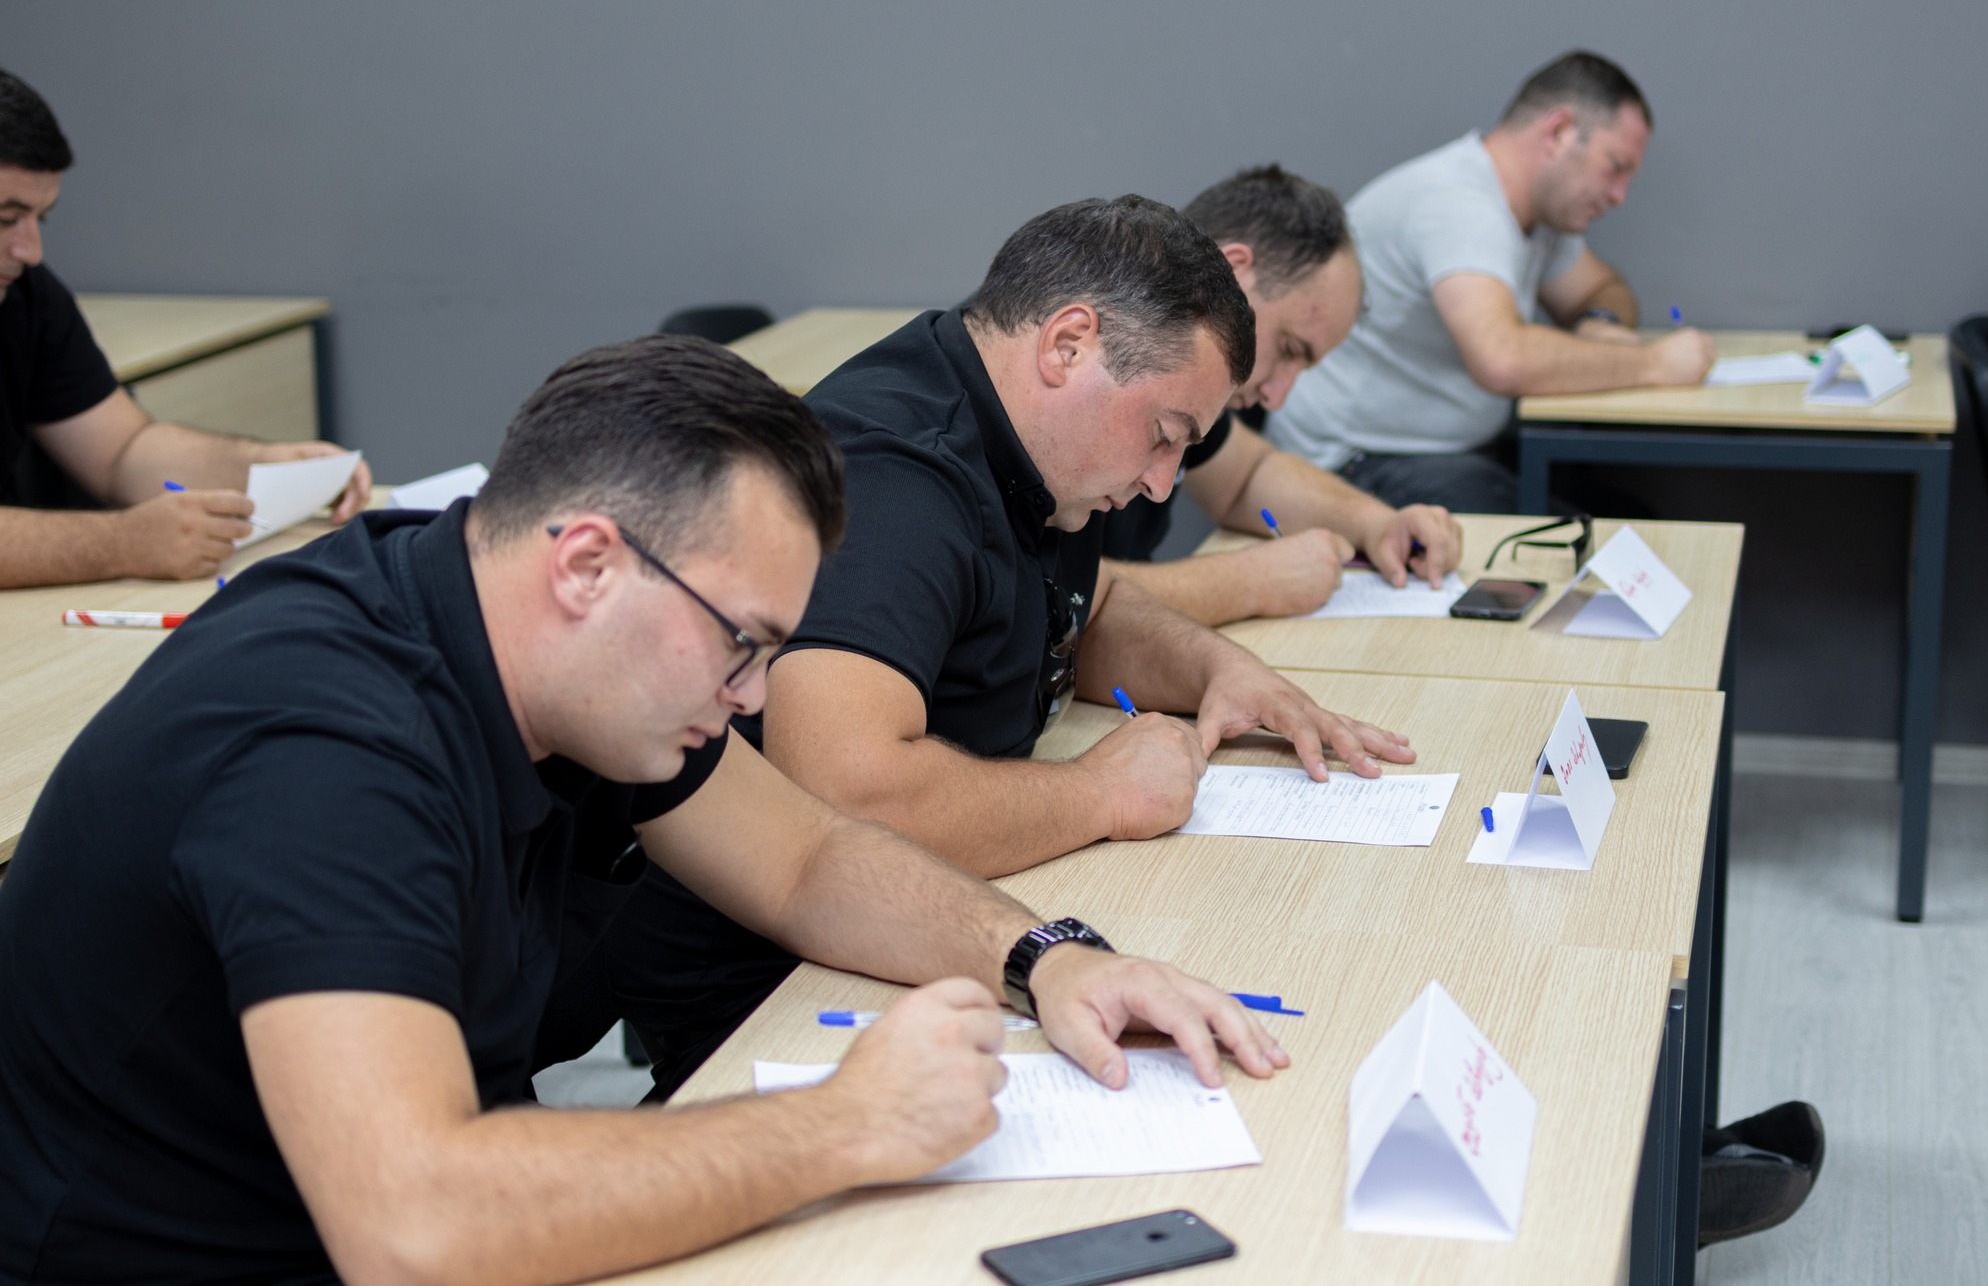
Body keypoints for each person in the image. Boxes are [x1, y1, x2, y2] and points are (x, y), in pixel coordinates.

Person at [0, 336, 1285, 1285]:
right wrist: (847, 1123)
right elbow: (414, 1225)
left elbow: (806, 859)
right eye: (741, 644)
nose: (754, 696)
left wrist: (1046, 958)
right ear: (585, 565)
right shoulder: (323, 754)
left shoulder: (550, 645)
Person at [558, 196, 1416, 1100]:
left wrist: (1220, 671)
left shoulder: (1037, 444)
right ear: (1068, 345)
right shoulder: (900, 477)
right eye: (1164, 437)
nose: (1166, 483)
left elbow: (1084, 606)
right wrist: (1100, 793)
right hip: (774, 986)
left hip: (917, 914)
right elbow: (846, 789)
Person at [1265, 51, 1717, 513]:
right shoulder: (1460, 205)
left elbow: (1601, 289)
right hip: (1352, 461)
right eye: (1615, 167)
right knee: (1595, 548)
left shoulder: (1538, 216)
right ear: (1559, 133)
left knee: (1631, 524)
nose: (1618, 196)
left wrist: (1598, 321)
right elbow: (1501, 359)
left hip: (1444, 449)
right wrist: (1654, 363)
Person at [0, 66, 370, 587]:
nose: (30, 251)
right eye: (5, 219)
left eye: (40, 219)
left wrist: (270, 466)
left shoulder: (25, 295)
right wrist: (120, 544)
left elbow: (122, 453)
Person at [1101, 165, 1461, 625]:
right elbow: (1055, 598)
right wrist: (1247, 583)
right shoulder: (1093, 369)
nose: (1276, 397)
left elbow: (1246, 476)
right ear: (1232, 274)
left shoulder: (1187, 382)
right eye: (1288, 348)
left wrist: (1377, 524)